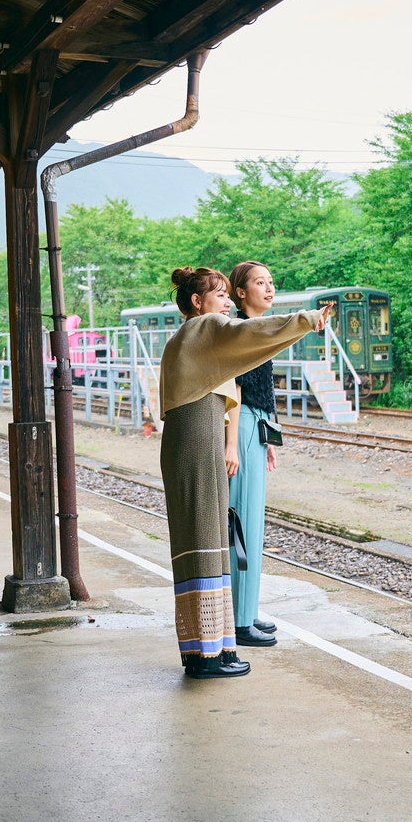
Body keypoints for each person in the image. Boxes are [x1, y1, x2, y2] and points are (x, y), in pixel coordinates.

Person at [159, 266, 332, 679]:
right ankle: (206, 657)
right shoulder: (205, 327)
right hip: (197, 446)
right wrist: (307, 320)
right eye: (220, 295)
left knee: (210, 545)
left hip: (194, 445)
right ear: (198, 302)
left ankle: (214, 649)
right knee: (205, 545)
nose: (227, 304)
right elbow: (249, 333)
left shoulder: (192, 337)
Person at [226, 261, 282, 647]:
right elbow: (236, 392)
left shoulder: (254, 330)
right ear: (240, 292)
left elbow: (262, 393)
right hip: (242, 426)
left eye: (271, 282)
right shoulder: (242, 331)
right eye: (259, 282)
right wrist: (233, 444)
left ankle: (247, 610)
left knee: (252, 524)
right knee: (243, 520)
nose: (269, 287)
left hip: (254, 428)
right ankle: (240, 621)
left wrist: (269, 442)